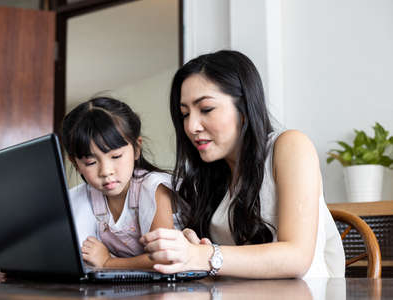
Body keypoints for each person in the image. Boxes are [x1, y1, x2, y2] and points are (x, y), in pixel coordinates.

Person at [140, 50, 345, 278]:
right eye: (185, 114)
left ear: (244, 108)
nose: (191, 126)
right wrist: (194, 245)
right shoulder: (213, 175)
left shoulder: (290, 146)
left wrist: (202, 255)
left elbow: (296, 257)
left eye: (206, 109)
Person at [61, 96, 174, 269]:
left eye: (116, 156)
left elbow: (164, 257)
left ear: (137, 149)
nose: (106, 171)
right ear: (76, 164)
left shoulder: (154, 188)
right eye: (91, 162)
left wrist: (108, 262)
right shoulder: (83, 196)